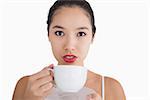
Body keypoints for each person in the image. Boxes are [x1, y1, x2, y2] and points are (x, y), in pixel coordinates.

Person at [12, 0, 126, 100]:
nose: (69, 46)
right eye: (59, 33)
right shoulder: (26, 86)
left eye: (81, 34)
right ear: (48, 35)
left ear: (92, 36)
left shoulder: (111, 88)